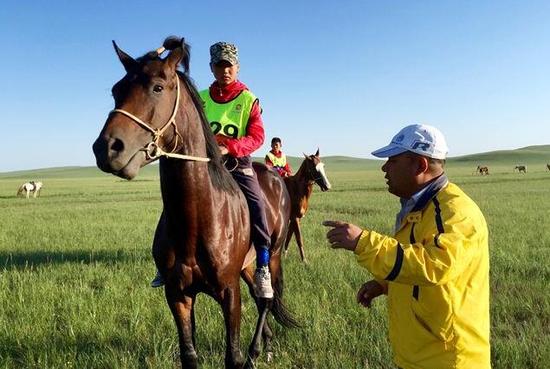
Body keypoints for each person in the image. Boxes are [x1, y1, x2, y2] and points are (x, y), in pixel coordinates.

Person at [324, 124, 490, 369]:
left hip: (448, 360)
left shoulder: (455, 212)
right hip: (419, 355)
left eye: (392, 160)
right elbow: (416, 262)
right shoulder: (419, 207)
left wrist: (363, 242)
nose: (384, 167)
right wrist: (385, 284)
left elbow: (436, 265)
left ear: (420, 166)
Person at [152, 41, 274, 299]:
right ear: (211, 67)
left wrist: (230, 147)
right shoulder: (202, 98)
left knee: (258, 208)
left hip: (237, 165)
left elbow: (257, 136)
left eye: (229, 65)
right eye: (219, 65)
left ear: (237, 67)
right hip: (202, 167)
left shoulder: (249, 99)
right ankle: (166, 265)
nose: (224, 70)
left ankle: (262, 266)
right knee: (174, 204)